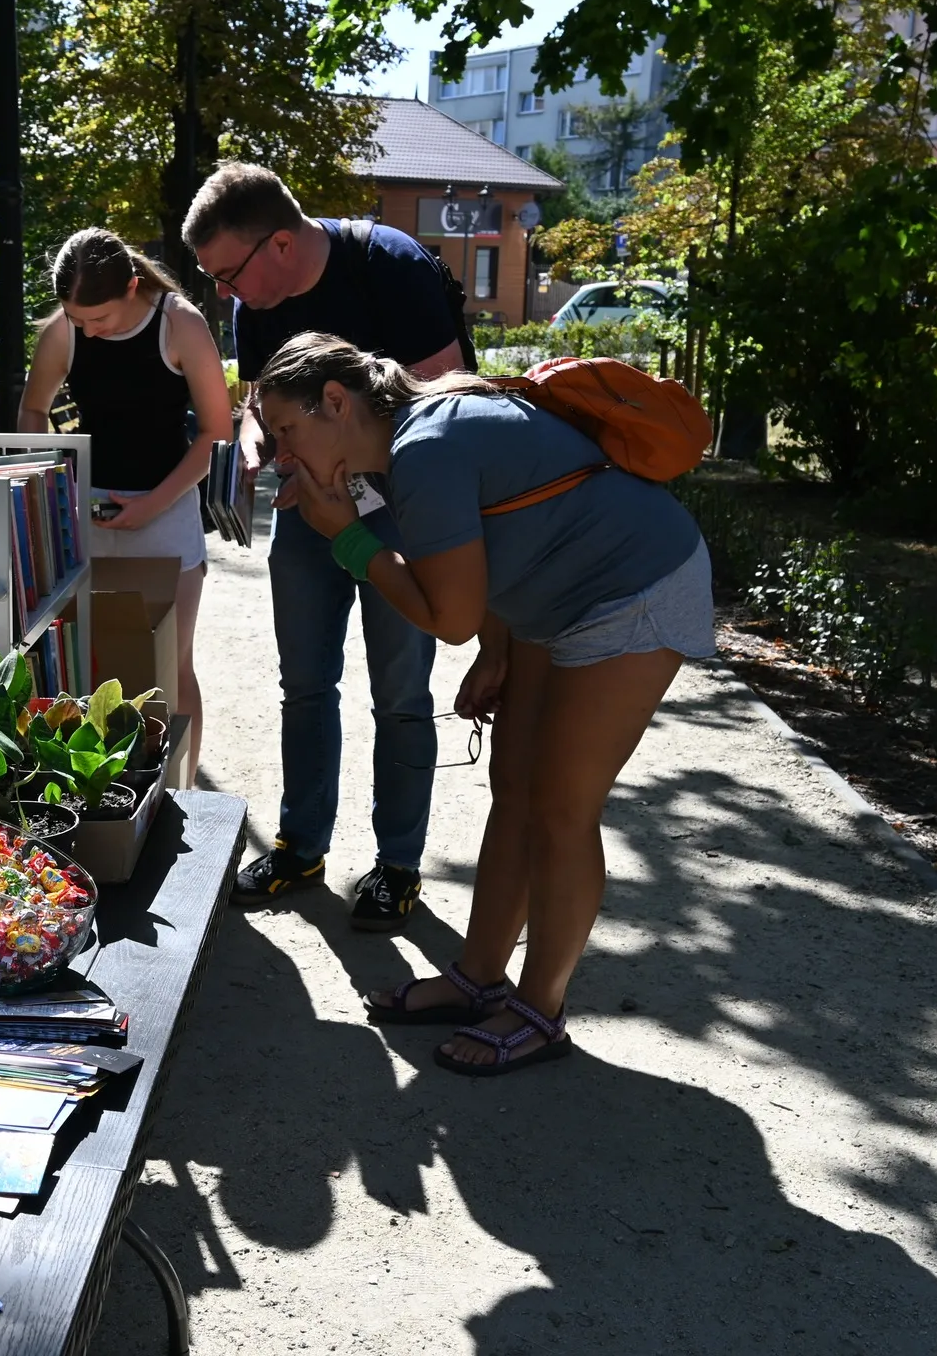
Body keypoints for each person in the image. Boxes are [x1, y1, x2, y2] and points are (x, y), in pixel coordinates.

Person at [251, 333, 714, 1076]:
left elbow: (449, 617)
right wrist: (498, 654)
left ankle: (541, 1011)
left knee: (560, 810)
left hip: (631, 590)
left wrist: (350, 539)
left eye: (286, 430)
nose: (282, 455)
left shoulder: (425, 449)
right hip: (552, 598)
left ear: (336, 402)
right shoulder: (402, 446)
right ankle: (478, 977)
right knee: (514, 789)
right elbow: (494, 539)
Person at [181, 162, 464, 931]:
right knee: (305, 685)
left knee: (400, 695)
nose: (227, 294)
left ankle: (397, 864)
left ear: (279, 243)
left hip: (400, 515)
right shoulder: (254, 303)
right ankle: (301, 846)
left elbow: (450, 404)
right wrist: (251, 445)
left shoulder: (390, 266)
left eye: (229, 273)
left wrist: (356, 487)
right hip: (308, 512)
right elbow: (257, 402)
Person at [21, 227, 233, 778]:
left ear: (133, 286)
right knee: (91, 666)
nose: (88, 331)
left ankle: (182, 791)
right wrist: (56, 488)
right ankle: (101, 790)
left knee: (171, 667)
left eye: (100, 319)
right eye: (78, 320)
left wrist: (154, 504)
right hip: (86, 517)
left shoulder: (179, 322)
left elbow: (216, 432)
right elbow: (32, 411)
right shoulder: (65, 330)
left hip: (169, 510)